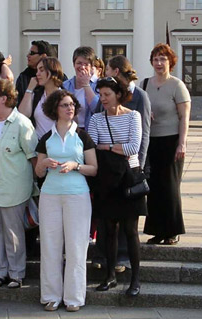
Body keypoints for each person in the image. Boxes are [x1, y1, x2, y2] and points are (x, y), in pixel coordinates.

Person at [35, 90, 97, 312]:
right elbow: (38, 171)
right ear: (55, 109)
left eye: (72, 105)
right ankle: (51, 296)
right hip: (50, 195)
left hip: (77, 195)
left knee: (76, 247)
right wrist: (44, 164)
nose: (70, 108)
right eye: (64, 105)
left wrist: (75, 165)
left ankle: (74, 298)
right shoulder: (46, 138)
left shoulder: (82, 135)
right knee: (50, 246)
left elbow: (93, 168)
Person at [92, 55, 152, 271]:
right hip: (107, 173)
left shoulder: (140, 99)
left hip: (129, 169)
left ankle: (124, 258)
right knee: (107, 220)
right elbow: (94, 142)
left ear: (116, 72)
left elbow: (139, 141)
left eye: (106, 68)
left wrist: (138, 166)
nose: (103, 98)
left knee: (128, 225)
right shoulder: (100, 108)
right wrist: (113, 147)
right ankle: (104, 258)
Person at [0, 78, 38, 289]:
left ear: (4, 98)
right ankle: (0, 272)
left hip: (13, 188)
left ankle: (16, 273)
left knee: (13, 233)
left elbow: (33, 157)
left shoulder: (22, 123)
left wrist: (35, 186)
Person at [89, 76, 145, 297]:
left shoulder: (134, 116)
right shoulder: (96, 119)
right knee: (109, 230)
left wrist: (108, 146)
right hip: (107, 179)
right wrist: (112, 147)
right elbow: (93, 147)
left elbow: (133, 148)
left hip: (129, 178)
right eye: (100, 94)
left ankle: (135, 279)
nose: (102, 99)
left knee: (131, 231)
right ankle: (110, 276)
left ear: (119, 94)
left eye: (107, 94)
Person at [142, 44, 191, 245]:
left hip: (171, 142)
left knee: (169, 187)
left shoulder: (177, 85)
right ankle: (157, 230)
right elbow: (136, 109)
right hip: (151, 141)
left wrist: (182, 144)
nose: (159, 63)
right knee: (153, 187)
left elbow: (184, 117)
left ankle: (172, 230)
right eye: (156, 59)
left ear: (170, 62)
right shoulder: (144, 84)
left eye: (163, 59)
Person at [18, 57, 64, 139]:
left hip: (58, 144)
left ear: (52, 72)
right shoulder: (37, 95)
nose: (37, 74)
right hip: (39, 145)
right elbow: (23, 114)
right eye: (37, 70)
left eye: (41, 70)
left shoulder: (64, 96)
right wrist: (29, 89)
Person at [62, 47, 100, 130]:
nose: (82, 67)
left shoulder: (98, 85)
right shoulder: (65, 86)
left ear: (91, 66)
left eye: (86, 64)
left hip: (91, 132)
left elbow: (97, 109)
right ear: (74, 64)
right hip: (70, 130)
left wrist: (86, 84)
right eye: (79, 63)